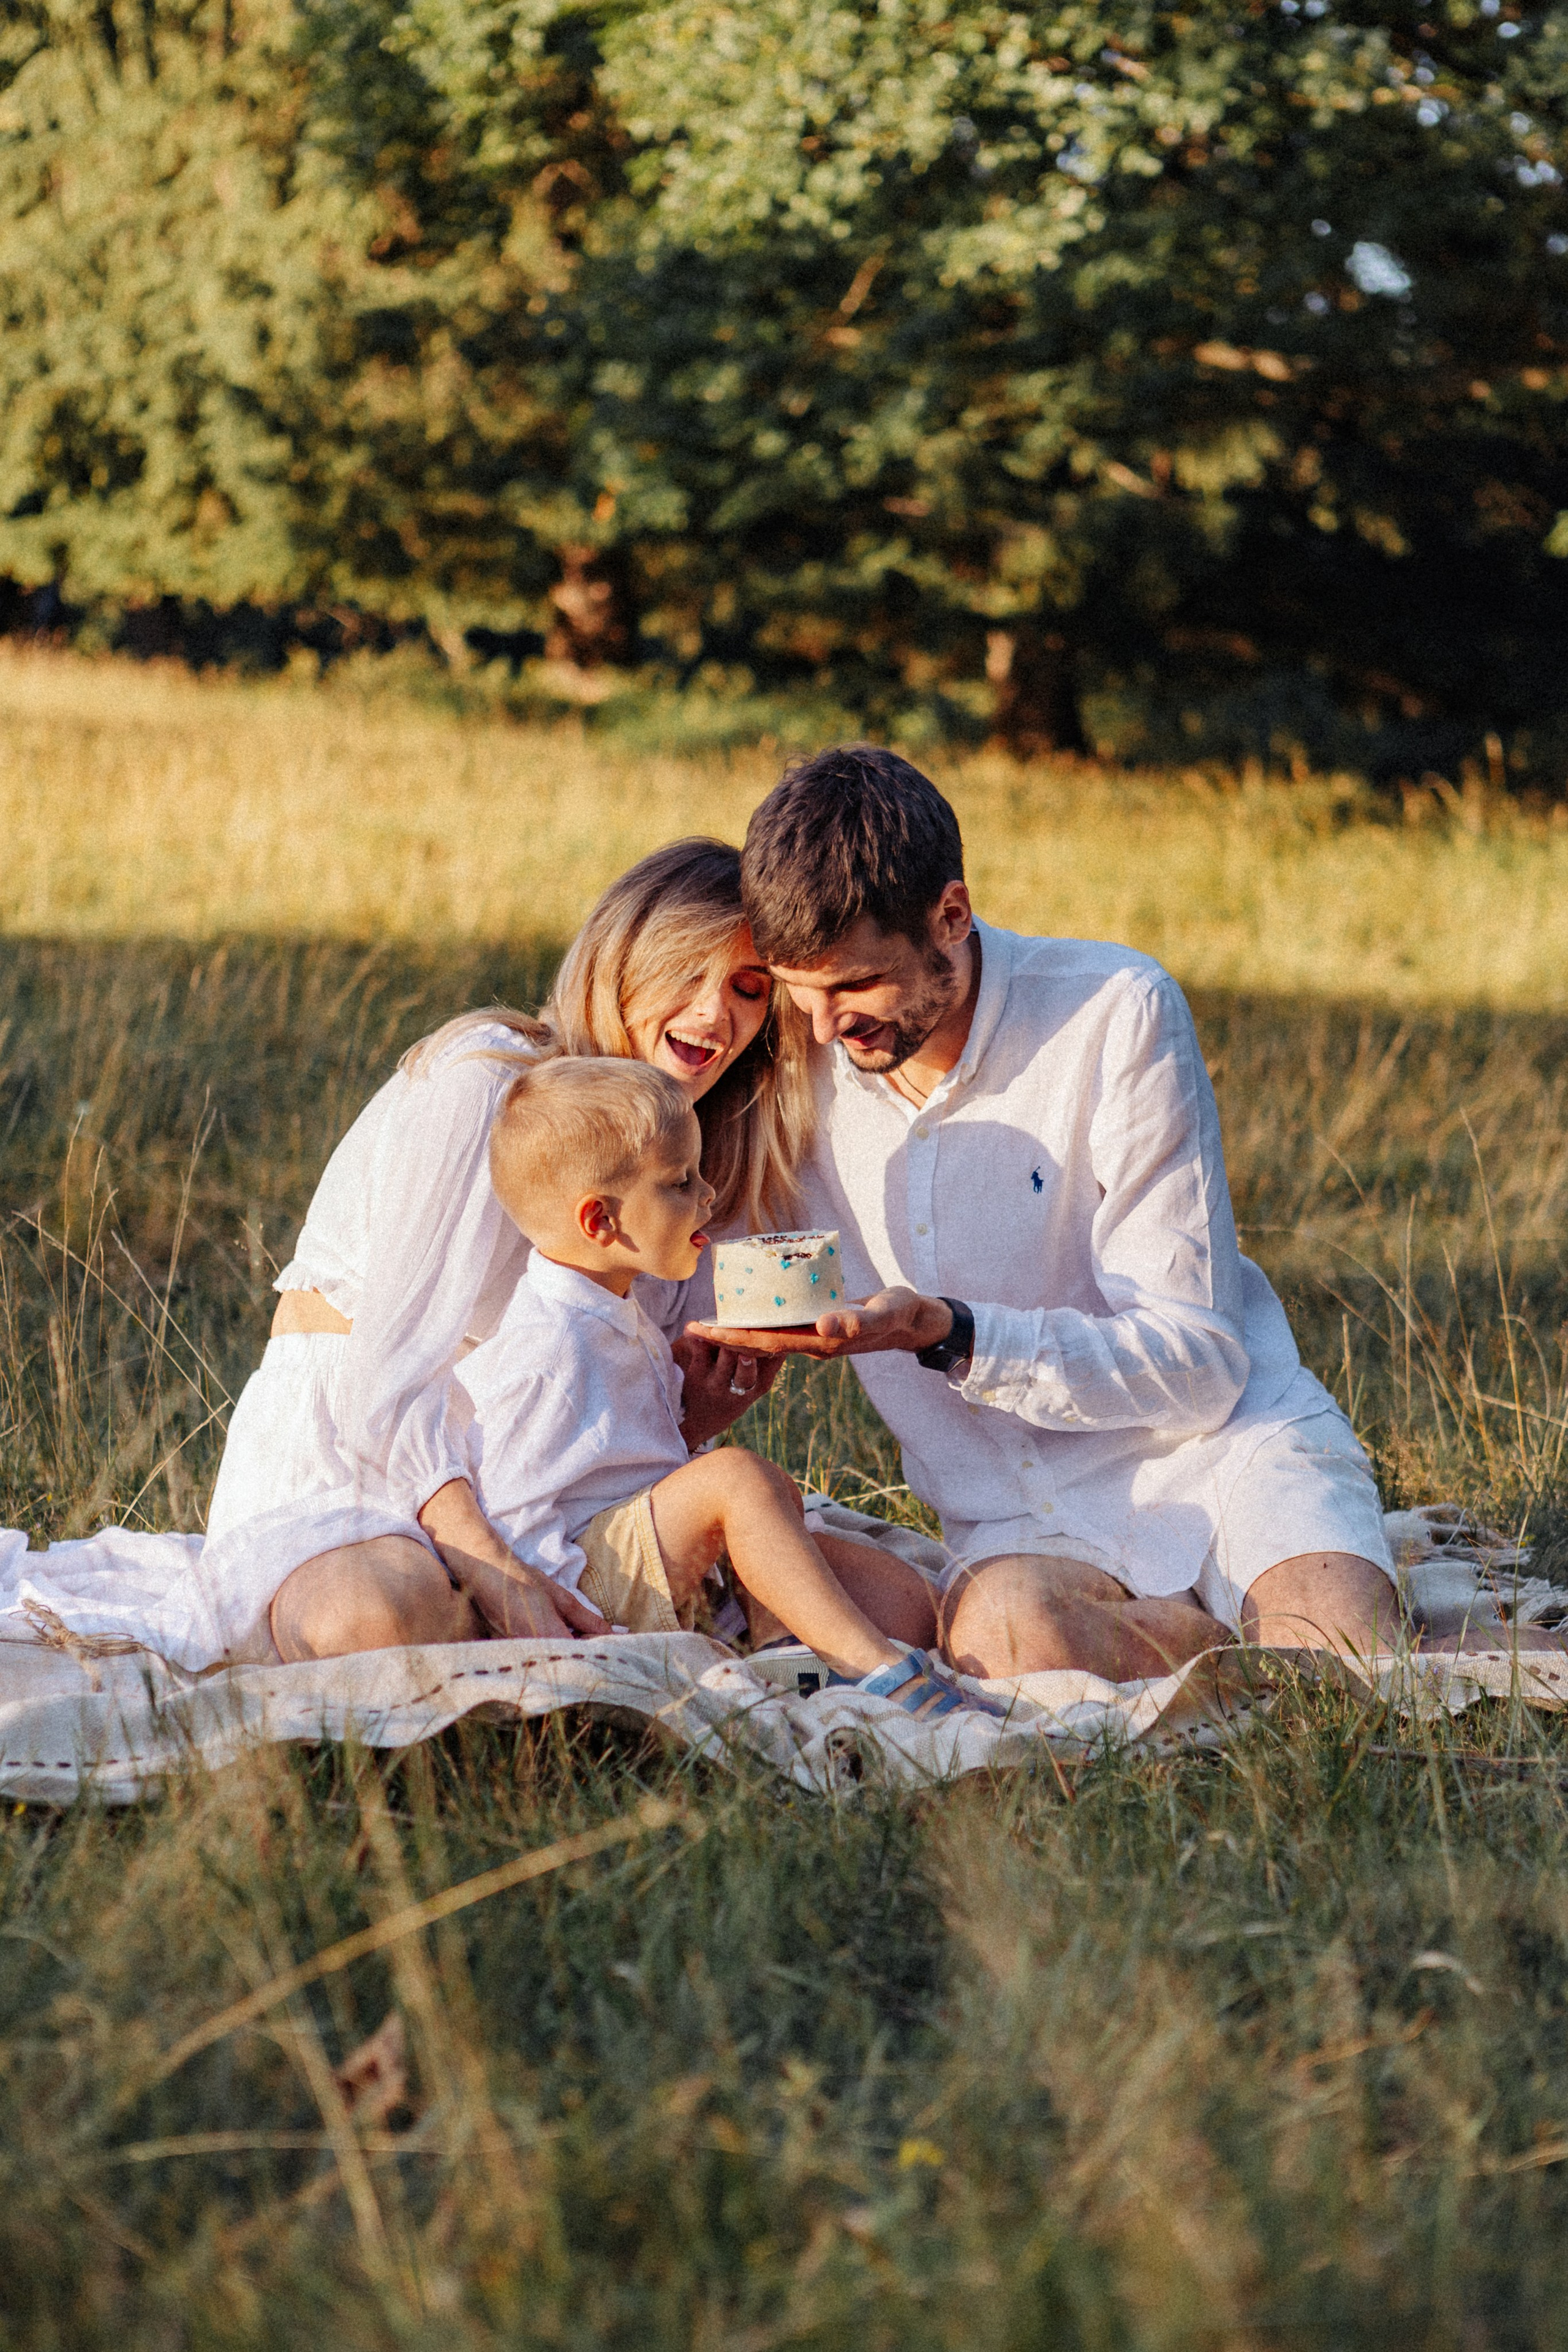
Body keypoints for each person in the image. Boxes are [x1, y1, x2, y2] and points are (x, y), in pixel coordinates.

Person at [693, 745, 1409, 1680]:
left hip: (1221, 1449)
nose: (826, 1026)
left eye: (855, 986)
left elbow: (1199, 1361)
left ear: (952, 915)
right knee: (1009, 1637)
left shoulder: (1115, 1011)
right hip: (1017, 1517)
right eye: (801, 992)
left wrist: (955, 1335)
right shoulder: (797, 1066)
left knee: (1342, 1655)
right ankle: (1237, 1654)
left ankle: (1291, 1634)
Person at [213, 839, 810, 1662]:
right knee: (377, 1620)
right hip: (359, 1446)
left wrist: (695, 1415)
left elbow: (584, 1429)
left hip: (530, 1493)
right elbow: (381, 1376)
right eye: (686, 971)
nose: (716, 1016)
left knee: (888, 1600)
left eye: (748, 991)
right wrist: (488, 1562)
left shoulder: (686, 1158)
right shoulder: (492, 1082)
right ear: (619, 961)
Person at [424, 1056, 982, 1716]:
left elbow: (616, 1457)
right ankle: (874, 1669)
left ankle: (788, 1652)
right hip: (588, 1589)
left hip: (654, 1553)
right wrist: (577, 1632)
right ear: (600, 1221)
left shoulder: (613, 1310)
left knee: (908, 1605)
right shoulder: (550, 1347)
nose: (707, 1195)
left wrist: (697, 1417)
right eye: (680, 1182)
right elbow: (512, 1514)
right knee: (739, 1480)